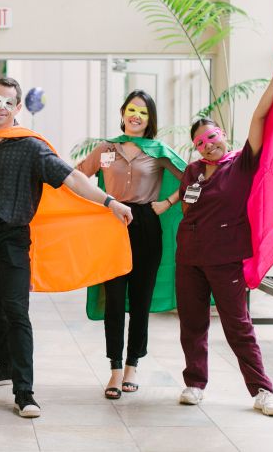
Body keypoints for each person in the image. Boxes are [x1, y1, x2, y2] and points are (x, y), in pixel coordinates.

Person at [0, 77, 133, 418]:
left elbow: (72, 178)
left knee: (16, 311)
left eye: (8, 103)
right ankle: (3, 365)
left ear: (19, 108)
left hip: (13, 239)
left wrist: (109, 202)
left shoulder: (32, 147)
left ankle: (24, 392)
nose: (1, 107)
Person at [175, 52, 273, 417]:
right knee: (192, 324)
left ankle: (262, 390)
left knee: (238, 325)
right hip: (189, 257)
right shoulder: (192, 171)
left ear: (223, 136)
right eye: (201, 142)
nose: (209, 145)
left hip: (225, 259)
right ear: (196, 148)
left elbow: (259, 117)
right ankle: (194, 383)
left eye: (212, 137)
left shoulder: (241, 162)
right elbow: (187, 208)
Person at [77, 90, 185, 400]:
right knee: (113, 298)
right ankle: (113, 368)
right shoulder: (106, 148)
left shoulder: (158, 150)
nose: (136, 116)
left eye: (144, 112)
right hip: (111, 223)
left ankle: (132, 365)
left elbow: (193, 178)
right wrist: (100, 203)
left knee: (140, 299)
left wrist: (167, 202)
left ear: (150, 119)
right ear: (123, 112)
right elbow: (77, 175)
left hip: (146, 226)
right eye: (132, 109)